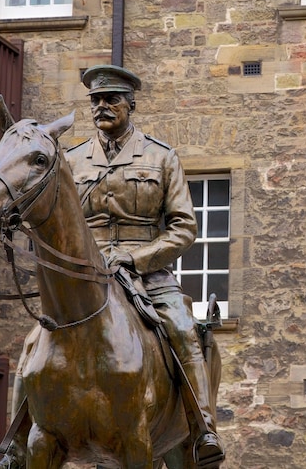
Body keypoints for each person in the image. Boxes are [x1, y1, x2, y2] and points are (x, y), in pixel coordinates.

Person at [66, 64, 224, 467]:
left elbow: (184, 228)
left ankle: (202, 427)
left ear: (130, 104)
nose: (102, 106)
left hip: (148, 275)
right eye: (96, 100)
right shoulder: (72, 160)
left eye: (111, 99)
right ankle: (15, 442)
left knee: (184, 330)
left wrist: (135, 258)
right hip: (89, 277)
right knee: (39, 340)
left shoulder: (160, 156)